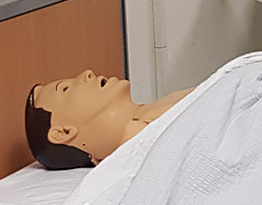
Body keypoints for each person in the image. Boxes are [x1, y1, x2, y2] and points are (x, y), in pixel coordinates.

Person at [25, 71, 191, 169]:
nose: (88, 73)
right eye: (65, 89)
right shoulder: (147, 144)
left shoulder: (161, 110)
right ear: (63, 132)